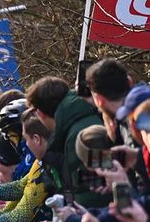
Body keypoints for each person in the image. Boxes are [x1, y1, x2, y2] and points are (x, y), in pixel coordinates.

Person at [26, 76, 105, 206]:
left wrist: (74, 221)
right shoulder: (80, 122)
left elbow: (92, 195)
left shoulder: (79, 136)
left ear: (40, 114)